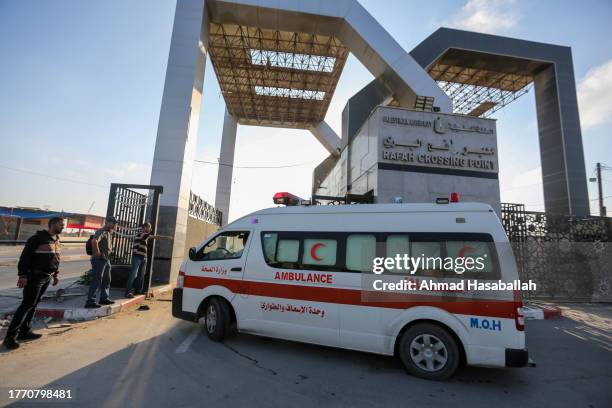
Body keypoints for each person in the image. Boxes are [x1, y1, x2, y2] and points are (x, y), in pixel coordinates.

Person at [3, 217, 65, 350]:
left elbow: (55, 259)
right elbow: (24, 258)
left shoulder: (57, 240)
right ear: (53, 224)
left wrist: (55, 275)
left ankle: (25, 332)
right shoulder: (37, 238)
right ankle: (10, 337)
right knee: (26, 305)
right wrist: (22, 275)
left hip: (47, 277)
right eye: (61, 225)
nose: (63, 227)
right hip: (34, 277)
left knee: (34, 305)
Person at [125, 222, 172, 298]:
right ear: (145, 227)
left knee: (141, 274)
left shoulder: (145, 236)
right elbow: (155, 237)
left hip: (143, 257)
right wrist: (166, 238)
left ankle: (137, 290)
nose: (150, 229)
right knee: (133, 274)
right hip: (137, 256)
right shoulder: (141, 234)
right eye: (149, 227)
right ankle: (128, 292)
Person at [85, 216, 117, 308]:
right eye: (113, 223)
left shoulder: (109, 232)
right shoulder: (102, 231)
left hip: (106, 260)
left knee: (107, 280)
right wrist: (97, 252)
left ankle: (104, 298)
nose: (115, 225)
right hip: (99, 260)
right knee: (97, 280)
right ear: (107, 222)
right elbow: (94, 241)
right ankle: (90, 301)